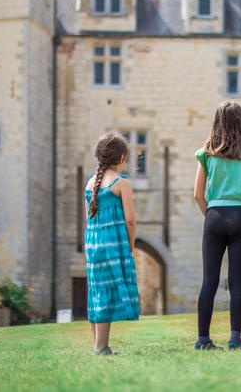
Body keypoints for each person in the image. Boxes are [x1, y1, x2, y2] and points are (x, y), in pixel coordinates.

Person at [193, 101, 241, 350]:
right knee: (236, 281)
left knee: (209, 281)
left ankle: (203, 339)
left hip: (214, 214)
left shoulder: (207, 152)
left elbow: (197, 195)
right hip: (240, 214)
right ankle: (235, 338)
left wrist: (210, 215)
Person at [84, 132, 139, 355]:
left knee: (97, 290)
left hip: (93, 242)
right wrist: (131, 245)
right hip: (112, 243)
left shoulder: (90, 183)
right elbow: (130, 220)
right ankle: (100, 347)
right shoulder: (121, 182)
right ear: (120, 157)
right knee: (108, 290)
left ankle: (98, 343)